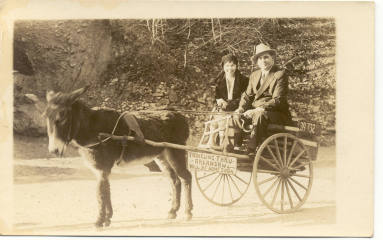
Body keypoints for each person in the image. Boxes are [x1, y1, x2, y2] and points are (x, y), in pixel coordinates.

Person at [235, 43, 291, 155]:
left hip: (275, 113)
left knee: (260, 115)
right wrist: (241, 108)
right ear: (257, 61)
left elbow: (278, 100)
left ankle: (251, 149)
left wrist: (258, 109)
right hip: (257, 111)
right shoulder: (254, 75)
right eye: (260, 58)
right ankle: (235, 146)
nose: (263, 60)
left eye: (266, 57)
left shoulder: (280, 74)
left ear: (272, 58)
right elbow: (247, 95)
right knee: (236, 115)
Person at [207, 54, 248, 149]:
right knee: (215, 120)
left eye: (232, 65)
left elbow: (245, 97)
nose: (230, 68)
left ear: (237, 66)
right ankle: (212, 144)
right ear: (223, 67)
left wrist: (230, 104)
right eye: (227, 66)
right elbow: (214, 96)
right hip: (222, 108)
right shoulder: (218, 80)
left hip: (237, 108)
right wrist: (218, 100)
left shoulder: (244, 80)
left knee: (227, 119)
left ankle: (226, 146)